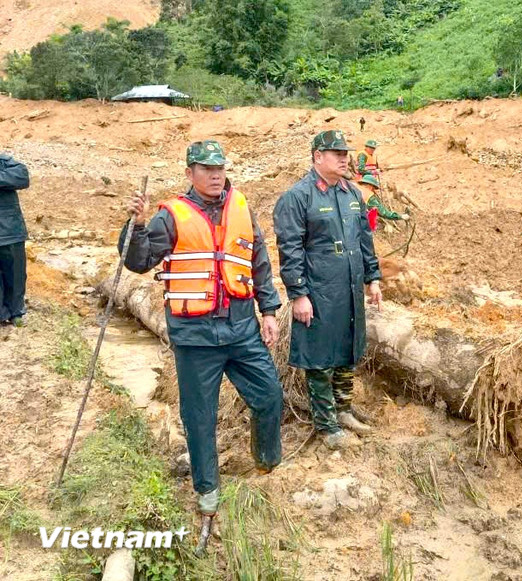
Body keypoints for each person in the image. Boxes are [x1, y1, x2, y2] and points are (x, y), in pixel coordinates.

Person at [121, 140, 283, 517]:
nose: (215, 175)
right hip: (195, 336)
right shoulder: (172, 215)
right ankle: (207, 487)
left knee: (269, 395)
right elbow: (139, 260)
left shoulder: (240, 207)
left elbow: (258, 261)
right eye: (207, 169)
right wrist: (136, 226)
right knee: (199, 417)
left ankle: (267, 461)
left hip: (241, 329)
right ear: (190, 172)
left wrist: (269, 311)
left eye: (219, 168)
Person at [273, 130, 382, 450]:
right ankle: (326, 426)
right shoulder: (298, 197)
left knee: (348, 348)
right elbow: (290, 250)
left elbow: (364, 240)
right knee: (320, 358)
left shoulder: (351, 194)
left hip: (349, 288)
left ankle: (343, 409)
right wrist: (299, 295)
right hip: (319, 291)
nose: (344, 159)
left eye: (345, 153)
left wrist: (373, 278)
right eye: (337, 153)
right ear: (317, 157)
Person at [0, 154, 30, 327]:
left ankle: (15, 313)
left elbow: (22, 176)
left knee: (15, 275)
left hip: (10, 231)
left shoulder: (3, 161)